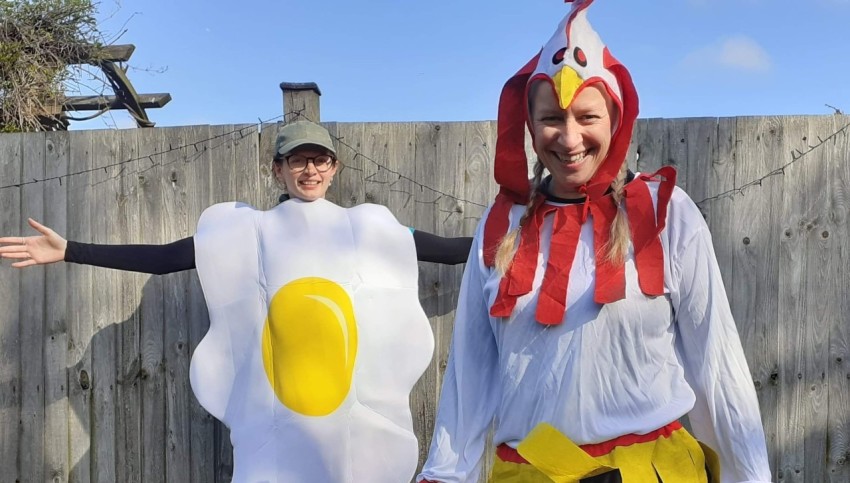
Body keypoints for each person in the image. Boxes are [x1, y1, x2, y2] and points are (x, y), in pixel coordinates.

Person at [1, 120, 472, 483]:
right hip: (277, 412)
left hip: (350, 411)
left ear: (334, 168)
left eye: (320, 160)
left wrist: (528, 235)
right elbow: (166, 259)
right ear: (278, 169)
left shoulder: (371, 231)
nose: (310, 170)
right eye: (297, 160)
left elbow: (450, 251)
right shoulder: (246, 234)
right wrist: (70, 251)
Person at [417, 1, 771, 482]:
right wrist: (444, 473)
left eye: (587, 116)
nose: (568, 138)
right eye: (551, 119)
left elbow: (717, 361)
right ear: (530, 123)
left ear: (615, 118)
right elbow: (468, 376)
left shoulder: (669, 215)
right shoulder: (500, 226)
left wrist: (749, 474)